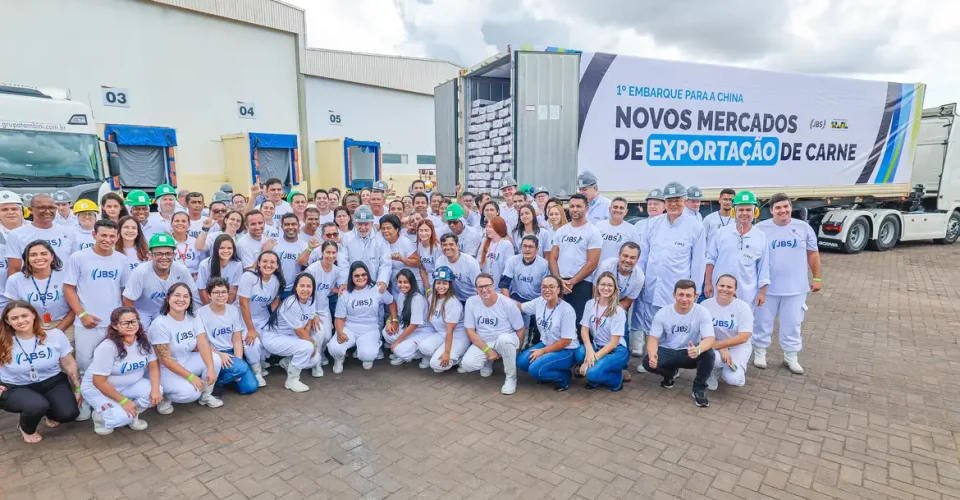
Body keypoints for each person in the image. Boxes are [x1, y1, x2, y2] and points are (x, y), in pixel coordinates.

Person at [637, 182, 706, 373]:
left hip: (676, 289)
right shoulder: (654, 223)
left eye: (677, 200)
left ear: (684, 201)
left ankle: (672, 364)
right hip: (652, 285)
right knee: (651, 323)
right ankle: (653, 356)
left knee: (673, 326)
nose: (674, 204)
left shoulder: (695, 227)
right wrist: (640, 279)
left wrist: (694, 288)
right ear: (665, 202)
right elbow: (644, 255)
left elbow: (698, 261)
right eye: (670, 200)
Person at [63, 219, 129, 421]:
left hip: (113, 326)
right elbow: (68, 288)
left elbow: (124, 291)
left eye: (112, 236)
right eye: (103, 235)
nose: (107, 239)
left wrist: (122, 320)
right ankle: (84, 402)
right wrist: (82, 314)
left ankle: (107, 399)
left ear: (117, 237)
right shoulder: (79, 257)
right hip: (87, 324)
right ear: (94, 235)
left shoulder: (121, 259)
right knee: (84, 366)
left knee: (110, 365)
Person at [752, 193, 822, 374]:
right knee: (762, 322)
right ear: (772, 210)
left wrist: (817, 277)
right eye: (778, 208)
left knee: (792, 323)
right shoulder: (760, 229)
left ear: (791, 207)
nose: (783, 211)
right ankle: (760, 353)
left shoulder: (803, 228)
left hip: (796, 288)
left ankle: (791, 357)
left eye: (786, 207)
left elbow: (813, 254)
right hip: (767, 288)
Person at [0, 301, 81, 443]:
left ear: (33, 315)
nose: (20, 321)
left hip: (52, 381)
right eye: (14, 318)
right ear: (7, 321)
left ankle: (50, 412)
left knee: (69, 413)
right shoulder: (2, 340)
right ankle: (26, 427)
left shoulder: (54, 335)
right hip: (16, 386)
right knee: (36, 405)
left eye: (24, 315)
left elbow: (69, 364)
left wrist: (78, 388)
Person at [81, 307, 161, 435]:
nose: (131, 326)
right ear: (115, 326)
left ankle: (132, 414)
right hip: (98, 389)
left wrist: (156, 389)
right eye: (125, 323)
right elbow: (99, 382)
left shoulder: (143, 340)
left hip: (128, 385)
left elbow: (153, 365)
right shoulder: (107, 347)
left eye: (134, 321)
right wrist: (124, 401)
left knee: (157, 391)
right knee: (119, 419)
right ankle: (100, 417)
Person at [150, 282, 222, 413]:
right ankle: (164, 397)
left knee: (215, 359)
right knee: (191, 393)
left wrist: (211, 368)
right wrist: (190, 377)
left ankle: (206, 396)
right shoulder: (160, 324)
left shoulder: (193, 317)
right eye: (177, 295)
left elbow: (203, 343)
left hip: (186, 359)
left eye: (186, 296)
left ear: (190, 300)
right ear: (168, 298)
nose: (181, 299)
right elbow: (166, 359)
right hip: (165, 369)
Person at [641, 279, 715, 408]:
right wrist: (653, 355)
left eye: (688, 295)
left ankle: (699, 389)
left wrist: (698, 349)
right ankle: (670, 374)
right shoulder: (663, 313)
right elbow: (653, 339)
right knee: (647, 362)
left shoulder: (702, 312)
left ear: (695, 297)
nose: (684, 299)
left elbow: (709, 339)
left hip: (690, 352)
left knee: (708, 354)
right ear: (674, 295)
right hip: (668, 350)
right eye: (680, 294)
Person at [705, 191, 770, 309]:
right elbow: (710, 260)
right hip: (720, 290)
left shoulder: (760, 237)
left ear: (755, 212)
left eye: (748, 210)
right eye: (741, 210)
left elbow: (763, 267)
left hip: (747, 293)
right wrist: (708, 283)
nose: (744, 213)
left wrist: (762, 292)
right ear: (734, 212)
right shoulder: (721, 233)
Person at [461, 273, 524, 395]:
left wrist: (517, 350)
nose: (484, 290)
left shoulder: (508, 303)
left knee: (504, 339)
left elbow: (520, 329)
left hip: (505, 340)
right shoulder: (471, 302)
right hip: (485, 341)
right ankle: (488, 361)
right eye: (480, 287)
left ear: (493, 285)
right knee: (468, 364)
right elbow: (470, 330)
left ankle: (511, 377)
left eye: (487, 286)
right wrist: (487, 350)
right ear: (476, 289)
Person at [329, 262, 398, 372]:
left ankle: (365, 352)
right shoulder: (345, 293)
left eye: (363, 274)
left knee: (368, 355)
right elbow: (339, 318)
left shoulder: (377, 288)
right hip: (350, 327)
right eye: (357, 275)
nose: (361, 278)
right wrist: (340, 333)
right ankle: (339, 359)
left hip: (370, 328)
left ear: (368, 275)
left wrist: (394, 320)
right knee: (335, 348)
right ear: (351, 277)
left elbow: (391, 302)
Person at [197, 277, 262, 392]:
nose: (220, 295)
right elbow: (200, 343)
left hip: (231, 353)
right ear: (209, 295)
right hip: (213, 354)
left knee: (250, 388)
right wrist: (219, 354)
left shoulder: (234, 310)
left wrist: (238, 362)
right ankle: (211, 384)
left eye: (223, 292)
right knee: (241, 368)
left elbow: (237, 340)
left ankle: (222, 380)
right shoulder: (200, 313)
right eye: (216, 292)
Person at [123, 233, 199, 330]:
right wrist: (134, 320)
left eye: (168, 253)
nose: (164, 257)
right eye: (159, 254)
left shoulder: (181, 269)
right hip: (143, 312)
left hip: (169, 311)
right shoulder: (140, 272)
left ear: (174, 255)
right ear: (150, 255)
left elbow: (192, 294)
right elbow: (127, 300)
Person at [263, 273, 325, 391]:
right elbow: (300, 332)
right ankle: (292, 380)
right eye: (302, 286)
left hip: (290, 336)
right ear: (296, 287)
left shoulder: (310, 300)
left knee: (315, 359)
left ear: (313, 288)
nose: (305, 289)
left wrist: (311, 343)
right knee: (307, 347)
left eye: (309, 286)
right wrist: (313, 344)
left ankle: (287, 363)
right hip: (274, 338)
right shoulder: (291, 303)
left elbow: (309, 320)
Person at [516, 275, 578, 391]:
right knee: (521, 362)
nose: (547, 290)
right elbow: (520, 307)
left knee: (535, 370)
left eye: (551, 287)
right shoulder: (539, 301)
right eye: (544, 287)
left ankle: (564, 377)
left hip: (567, 349)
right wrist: (498, 298)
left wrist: (543, 351)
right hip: (547, 344)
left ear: (558, 290)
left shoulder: (567, 310)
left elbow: (566, 341)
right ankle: (548, 369)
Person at [549, 194, 602, 326]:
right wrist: (559, 280)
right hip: (561, 283)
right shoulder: (561, 231)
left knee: (578, 323)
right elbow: (553, 258)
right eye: (572, 206)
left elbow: (592, 263)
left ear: (586, 208)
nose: (575, 209)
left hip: (581, 284)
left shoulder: (593, 232)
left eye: (579, 206)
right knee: (558, 322)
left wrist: (572, 282)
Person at [574, 272, 629, 390]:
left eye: (610, 285)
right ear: (597, 286)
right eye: (603, 284)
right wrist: (589, 351)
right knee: (579, 353)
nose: (606, 288)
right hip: (597, 346)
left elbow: (613, 343)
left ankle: (616, 379)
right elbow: (584, 330)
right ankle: (599, 372)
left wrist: (591, 359)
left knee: (592, 373)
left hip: (616, 351)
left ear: (615, 289)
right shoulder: (590, 304)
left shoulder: (618, 311)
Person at [5, 241, 74, 332]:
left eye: (44, 254)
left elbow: (76, 307)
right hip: (31, 328)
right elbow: (15, 311)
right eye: (33, 255)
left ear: (52, 256)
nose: (39, 257)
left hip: (66, 325)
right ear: (27, 259)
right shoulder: (15, 280)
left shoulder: (66, 275)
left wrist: (59, 330)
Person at [702, 274, 753, 390]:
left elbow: (744, 337)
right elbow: (700, 331)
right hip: (713, 343)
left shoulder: (743, 308)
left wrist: (721, 345)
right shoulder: (705, 305)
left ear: (735, 290)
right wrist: (721, 347)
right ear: (716, 286)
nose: (724, 289)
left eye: (729, 287)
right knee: (715, 360)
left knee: (734, 379)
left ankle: (734, 370)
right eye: (722, 285)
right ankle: (713, 372)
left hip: (738, 346)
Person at [238, 252, 284, 378]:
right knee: (252, 342)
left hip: (263, 318)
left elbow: (274, 301)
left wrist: (277, 321)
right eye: (264, 261)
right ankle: (256, 371)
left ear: (277, 266)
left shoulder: (276, 281)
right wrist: (251, 329)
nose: (268, 265)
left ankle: (261, 361)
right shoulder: (249, 277)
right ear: (258, 263)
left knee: (270, 340)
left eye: (272, 262)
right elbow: (243, 303)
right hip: (244, 318)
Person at [416, 267, 470, 372]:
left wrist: (446, 353)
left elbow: (450, 331)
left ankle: (459, 358)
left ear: (450, 285)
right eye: (438, 283)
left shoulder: (452, 303)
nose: (441, 286)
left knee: (436, 366)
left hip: (457, 336)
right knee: (423, 347)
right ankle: (441, 354)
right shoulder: (432, 297)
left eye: (445, 283)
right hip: (442, 333)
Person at [7, 194, 75, 274]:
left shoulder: (68, 232)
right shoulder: (16, 234)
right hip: (30, 284)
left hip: (62, 285)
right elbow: (14, 270)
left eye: (51, 208)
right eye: (42, 208)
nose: (48, 211)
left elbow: (75, 265)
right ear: (30, 210)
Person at [500, 235, 550, 346]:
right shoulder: (513, 260)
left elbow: (547, 290)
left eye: (531, 247)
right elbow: (504, 284)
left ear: (537, 249)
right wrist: (509, 304)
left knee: (535, 337)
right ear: (521, 247)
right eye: (524, 246)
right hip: (517, 296)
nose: (527, 249)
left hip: (536, 299)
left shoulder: (544, 264)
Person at [383, 269, 436, 367]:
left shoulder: (417, 299)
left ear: (412, 282)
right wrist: (388, 321)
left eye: (406, 282)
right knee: (386, 332)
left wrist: (397, 342)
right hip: (409, 328)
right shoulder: (401, 295)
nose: (402, 285)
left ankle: (422, 354)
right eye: (400, 282)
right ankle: (405, 350)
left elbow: (414, 325)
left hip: (422, 331)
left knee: (399, 350)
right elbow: (398, 314)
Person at [340, 206, 390, 293]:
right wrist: (344, 282)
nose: (363, 228)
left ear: (372, 223)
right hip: (353, 285)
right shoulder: (347, 238)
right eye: (360, 224)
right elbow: (343, 263)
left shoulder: (380, 239)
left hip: (376, 285)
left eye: (366, 224)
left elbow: (386, 263)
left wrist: (383, 280)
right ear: (354, 223)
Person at [304, 241, 342, 328]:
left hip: (324, 308)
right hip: (310, 309)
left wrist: (340, 290)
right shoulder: (312, 270)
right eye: (328, 252)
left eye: (334, 252)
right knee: (319, 337)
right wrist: (313, 314)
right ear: (322, 253)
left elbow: (330, 288)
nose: (331, 256)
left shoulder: (336, 270)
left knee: (327, 337)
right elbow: (303, 294)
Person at [197, 234, 244, 304]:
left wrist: (227, 308)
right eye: (222, 248)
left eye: (229, 248)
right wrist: (210, 308)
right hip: (206, 302)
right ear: (216, 249)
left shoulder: (237, 264)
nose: (226, 251)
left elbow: (233, 290)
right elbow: (202, 289)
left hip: (227, 302)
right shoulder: (204, 264)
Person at [434, 234, 481, 303]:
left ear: (457, 246)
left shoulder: (470, 262)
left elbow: (479, 286)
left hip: (471, 298)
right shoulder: (439, 261)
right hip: (452, 298)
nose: (447, 247)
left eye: (451, 244)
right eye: (444, 245)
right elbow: (439, 284)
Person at [380, 214, 421, 290]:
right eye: (383, 228)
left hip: (412, 284)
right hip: (396, 285)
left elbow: (417, 262)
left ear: (397, 229)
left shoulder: (405, 242)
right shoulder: (382, 243)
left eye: (389, 228)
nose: (385, 231)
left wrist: (401, 259)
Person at [274, 213, 311, 298]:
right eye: (287, 224)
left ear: (298, 226)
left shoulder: (305, 246)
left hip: (295, 291)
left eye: (293, 224)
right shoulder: (274, 244)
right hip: (276, 290)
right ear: (282, 226)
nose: (290, 227)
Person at [595, 197, 639, 264]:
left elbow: (636, 253)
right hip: (599, 271)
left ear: (626, 211)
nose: (618, 210)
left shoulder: (632, 230)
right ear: (610, 209)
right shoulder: (598, 226)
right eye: (615, 207)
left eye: (621, 208)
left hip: (619, 271)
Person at [478, 216, 514, 289]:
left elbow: (508, 269)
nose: (487, 229)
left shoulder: (506, 244)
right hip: (485, 287)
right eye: (487, 226)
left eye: (490, 227)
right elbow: (479, 264)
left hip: (499, 287)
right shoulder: (485, 243)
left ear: (498, 228)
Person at [170, 212, 202, 278]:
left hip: (194, 279)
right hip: (173, 279)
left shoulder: (195, 242)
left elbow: (202, 262)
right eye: (177, 221)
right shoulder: (167, 242)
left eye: (184, 221)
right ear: (171, 223)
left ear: (189, 224)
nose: (180, 223)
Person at [416, 219, 443, 289]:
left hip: (438, 279)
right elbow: (421, 267)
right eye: (421, 230)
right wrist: (427, 286)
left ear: (432, 231)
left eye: (426, 230)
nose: (423, 233)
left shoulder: (438, 248)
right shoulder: (418, 246)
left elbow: (440, 269)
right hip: (424, 278)